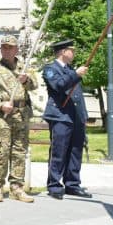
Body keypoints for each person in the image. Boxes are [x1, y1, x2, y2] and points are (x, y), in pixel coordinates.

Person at [0, 35, 39, 202]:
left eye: (10, 47)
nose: (6, 50)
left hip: (21, 113)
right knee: (1, 150)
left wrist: (26, 79)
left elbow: (34, 85)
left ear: (16, 49)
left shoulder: (24, 67)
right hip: (2, 115)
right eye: (4, 47)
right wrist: (0, 104)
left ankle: (17, 187)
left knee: (19, 150)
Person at [42, 39, 91, 200]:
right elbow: (59, 86)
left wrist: (83, 116)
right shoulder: (50, 69)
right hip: (60, 116)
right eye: (72, 50)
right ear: (63, 52)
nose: (74, 53)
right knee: (59, 151)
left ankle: (72, 184)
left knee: (76, 151)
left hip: (75, 116)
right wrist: (75, 74)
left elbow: (77, 96)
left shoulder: (70, 69)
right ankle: (54, 185)